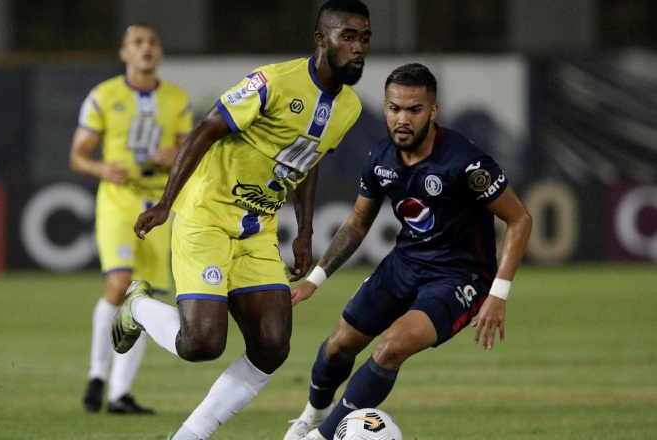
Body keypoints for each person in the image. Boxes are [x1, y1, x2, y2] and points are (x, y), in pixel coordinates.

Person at [109, 1, 372, 438]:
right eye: (348, 36)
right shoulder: (273, 82)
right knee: (201, 344)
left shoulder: (350, 109)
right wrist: (166, 203)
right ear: (321, 38)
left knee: (272, 346)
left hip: (258, 229)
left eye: (364, 38)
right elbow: (206, 128)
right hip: (206, 217)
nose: (359, 47)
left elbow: (310, 160)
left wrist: (304, 230)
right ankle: (136, 306)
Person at [283, 63, 533, 440]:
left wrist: (498, 294)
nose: (402, 119)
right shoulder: (381, 158)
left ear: (432, 111)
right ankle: (312, 418)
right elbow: (356, 223)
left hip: (458, 277)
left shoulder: (466, 162)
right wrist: (314, 281)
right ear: (385, 107)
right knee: (337, 347)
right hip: (404, 264)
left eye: (414, 110)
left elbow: (520, 219)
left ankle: (321, 438)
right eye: (394, 108)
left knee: (390, 348)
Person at [70, 23, 193, 414]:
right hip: (119, 202)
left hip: (158, 205)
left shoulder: (177, 100)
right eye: (137, 43)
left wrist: (174, 153)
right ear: (124, 53)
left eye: (153, 42)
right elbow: (78, 154)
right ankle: (96, 375)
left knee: (146, 298)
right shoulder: (104, 96)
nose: (146, 49)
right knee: (119, 283)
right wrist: (102, 168)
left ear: (159, 52)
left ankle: (120, 394)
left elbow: (189, 150)